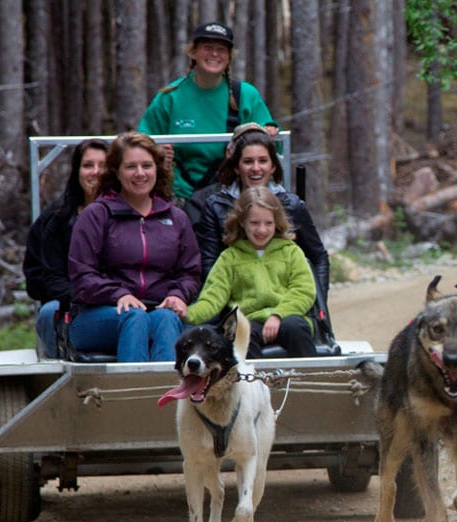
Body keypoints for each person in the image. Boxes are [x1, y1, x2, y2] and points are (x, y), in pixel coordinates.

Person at [67, 132, 202, 362]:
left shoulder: (175, 217)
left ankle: (166, 395)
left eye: (146, 166)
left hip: (157, 309)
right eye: (131, 167)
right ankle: (132, 394)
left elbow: (190, 272)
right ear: (116, 171)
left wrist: (178, 295)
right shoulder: (97, 215)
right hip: (99, 314)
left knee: (166, 318)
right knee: (136, 317)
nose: (140, 173)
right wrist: (118, 294)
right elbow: (82, 276)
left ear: (157, 169)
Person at [138, 21, 279, 213]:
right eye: (207, 48)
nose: (214, 54)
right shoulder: (170, 97)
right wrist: (157, 152)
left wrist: (269, 132)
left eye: (221, 49)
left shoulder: (245, 95)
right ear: (193, 52)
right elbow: (140, 144)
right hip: (177, 197)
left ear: (229, 57)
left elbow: (272, 148)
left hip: (231, 197)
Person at [196, 123, 330, 302]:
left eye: (263, 161)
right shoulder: (216, 206)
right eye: (248, 161)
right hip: (232, 300)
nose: (256, 168)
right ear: (236, 167)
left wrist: (317, 301)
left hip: (286, 301)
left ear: (273, 166)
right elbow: (208, 263)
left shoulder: (291, 205)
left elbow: (318, 257)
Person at [185, 186, 317, 358]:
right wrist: (188, 313)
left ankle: (305, 380)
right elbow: (213, 298)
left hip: (287, 315)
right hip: (249, 320)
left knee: (296, 327)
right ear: (242, 222)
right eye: (254, 223)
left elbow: (304, 291)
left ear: (276, 223)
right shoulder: (230, 257)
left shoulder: (291, 252)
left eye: (268, 223)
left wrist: (278, 315)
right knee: (242, 337)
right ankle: (253, 383)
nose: (261, 230)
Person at [23, 138, 108, 358]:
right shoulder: (56, 218)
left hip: (117, 300)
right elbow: (38, 278)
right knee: (49, 312)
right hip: (67, 301)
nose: (95, 172)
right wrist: (81, 296)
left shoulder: (127, 214)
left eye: (103, 165)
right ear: (77, 171)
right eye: (88, 165)